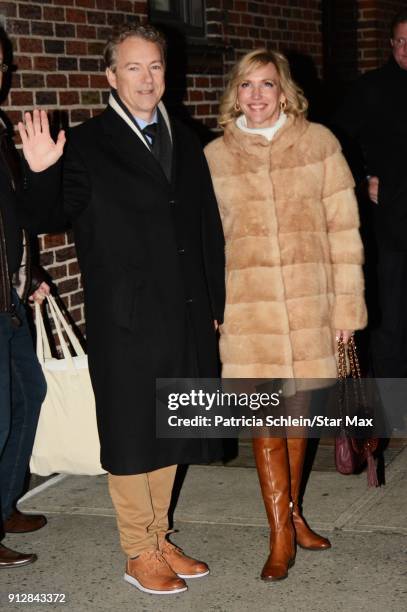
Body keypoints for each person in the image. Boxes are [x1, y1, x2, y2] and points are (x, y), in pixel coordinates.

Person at [22, 23, 225, 595]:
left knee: (172, 427)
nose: (146, 78)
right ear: (111, 76)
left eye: (155, 66)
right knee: (134, 431)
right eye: (133, 67)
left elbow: (206, 228)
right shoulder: (86, 143)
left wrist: (214, 303)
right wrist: (40, 173)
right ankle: (137, 550)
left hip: (185, 309)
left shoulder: (186, 139)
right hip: (127, 315)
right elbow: (47, 217)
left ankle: (159, 536)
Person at [204, 49, 367, 581]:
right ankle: (279, 535)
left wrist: (346, 309)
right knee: (265, 424)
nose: (255, 95)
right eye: (246, 85)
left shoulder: (320, 145)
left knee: (297, 420)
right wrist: (212, 307)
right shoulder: (214, 157)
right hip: (247, 314)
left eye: (266, 85)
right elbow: (205, 244)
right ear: (235, 93)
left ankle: (294, 516)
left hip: (311, 307)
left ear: (283, 91)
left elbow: (345, 235)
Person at [0, 27, 65, 568]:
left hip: (10, 299)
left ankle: (3, 505)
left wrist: (33, 269)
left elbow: (18, 218)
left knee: (29, 397)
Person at [333, 10, 407, 380]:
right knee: (389, 319)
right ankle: (392, 409)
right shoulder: (371, 87)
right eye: (401, 41)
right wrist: (362, 181)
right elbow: (336, 140)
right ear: (391, 44)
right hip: (390, 224)